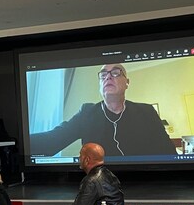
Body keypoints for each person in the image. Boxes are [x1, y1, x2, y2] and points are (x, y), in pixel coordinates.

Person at [30, 64, 176, 157]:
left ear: (127, 83)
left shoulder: (147, 111)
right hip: (99, 188)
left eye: (116, 72)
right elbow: (52, 141)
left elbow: (169, 154)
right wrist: (18, 141)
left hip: (145, 185)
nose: (108, 77)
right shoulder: (87, 112)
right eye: (103, 74)